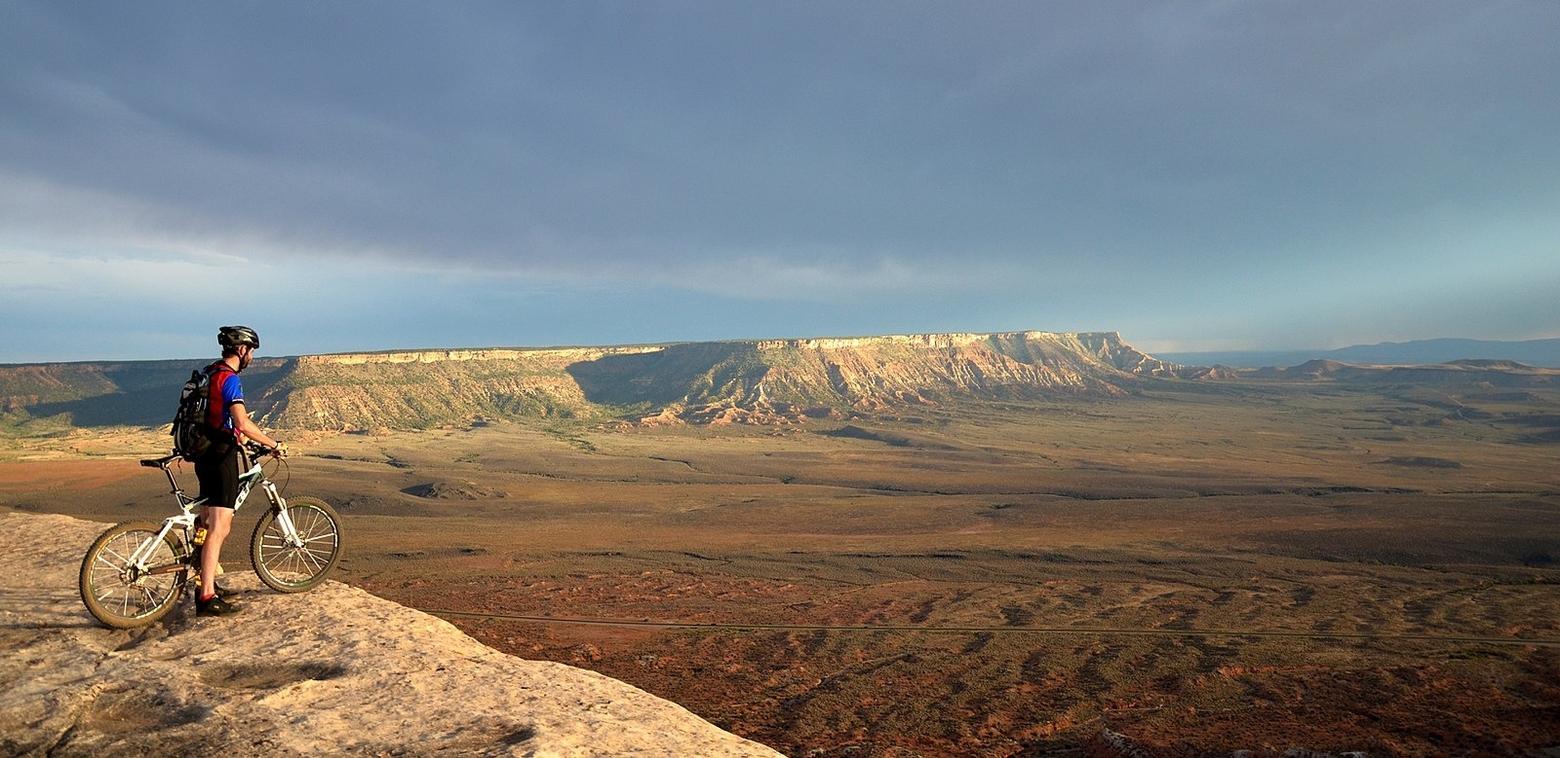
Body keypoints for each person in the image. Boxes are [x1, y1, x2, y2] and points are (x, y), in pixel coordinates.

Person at [193, 325, 285, 617]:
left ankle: (199, 575)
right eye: (252, 352)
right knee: (221, 525)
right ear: (242, 350)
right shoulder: (230, 379)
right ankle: (206, 595)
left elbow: (220, 419)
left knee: (207, 516)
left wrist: (240, 438)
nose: (253, 358)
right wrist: (272, 443)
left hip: (202, 451)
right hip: (220, 456)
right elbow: (241, 422)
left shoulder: (210, 372)